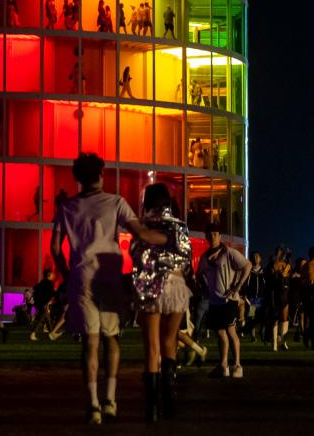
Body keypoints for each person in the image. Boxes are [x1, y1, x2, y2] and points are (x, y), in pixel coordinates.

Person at [51, 152, 166, 424]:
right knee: (111, 339)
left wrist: (68, 275)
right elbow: (142, 233)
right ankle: (110, 401)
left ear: (78, 177)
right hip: (109, 274)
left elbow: (56, 248)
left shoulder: (66, 207)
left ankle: (92, 405)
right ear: (101, 175)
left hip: (81, 275)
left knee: (90, 343)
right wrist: (168, 239)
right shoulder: (115, 202)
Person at [131, 182, 194, 421]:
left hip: (151, 287)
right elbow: (186, 256)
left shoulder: (143, 226)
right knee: (170, 343)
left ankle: (152, 408)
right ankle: (170, 401)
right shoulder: (179, 226)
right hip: (176, 286)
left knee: (152, 347)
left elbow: (135, 253)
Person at [196, 226, 251, 378]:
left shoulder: (228, 252)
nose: (212, 237)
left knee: (231, 331)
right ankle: (223, 365)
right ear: (206, 237)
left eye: (215, 234)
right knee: (220, 333)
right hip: (214, 300)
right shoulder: (205, 256)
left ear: (220, 236)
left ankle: (238, 365)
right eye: (210, 234)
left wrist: (237, 286)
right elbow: (199, 274)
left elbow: (247, 265)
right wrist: (204, 288)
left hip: (229, 300)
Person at [30, 269, 56, 341]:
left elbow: (35, 288)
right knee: (41, 318)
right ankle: (33, 333)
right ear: (49, 275)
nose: (53, 276)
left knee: (47, 318)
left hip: (39, 302)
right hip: (43, 303)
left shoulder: (42, 282)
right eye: (52, 274)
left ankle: (51, 333)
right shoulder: (49, 283)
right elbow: (51, 293)